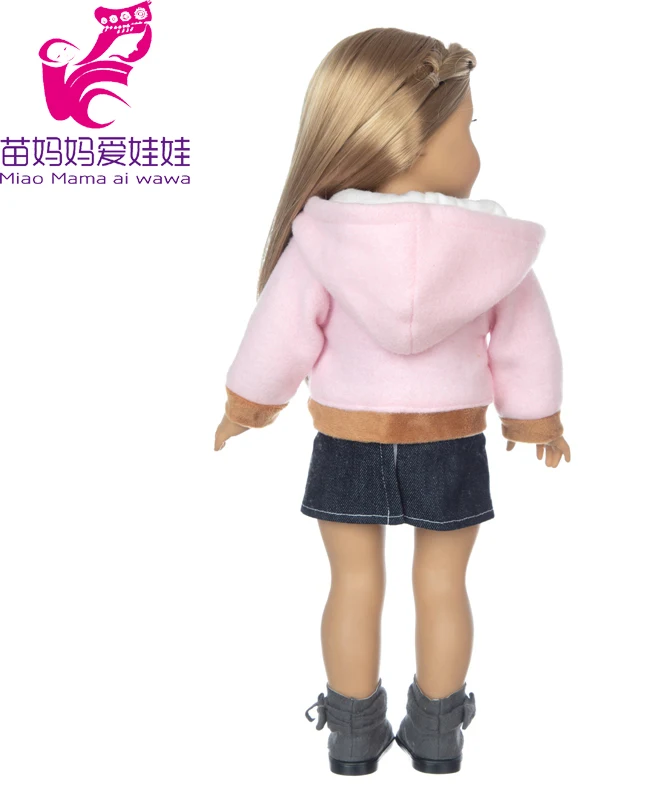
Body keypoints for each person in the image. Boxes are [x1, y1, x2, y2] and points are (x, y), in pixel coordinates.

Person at [214, 27, 570, 776]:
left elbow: (281, 332)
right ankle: (438, 734)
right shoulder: (491, 246)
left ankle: (351, 734)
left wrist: (248, 405)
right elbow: (525, 341)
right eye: (468, 128)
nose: (476, 149)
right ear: (413, 140)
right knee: (443, 584)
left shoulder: (323, 238)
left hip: (349, 438)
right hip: (451, 438)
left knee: (352, 582)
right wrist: (535, 418)